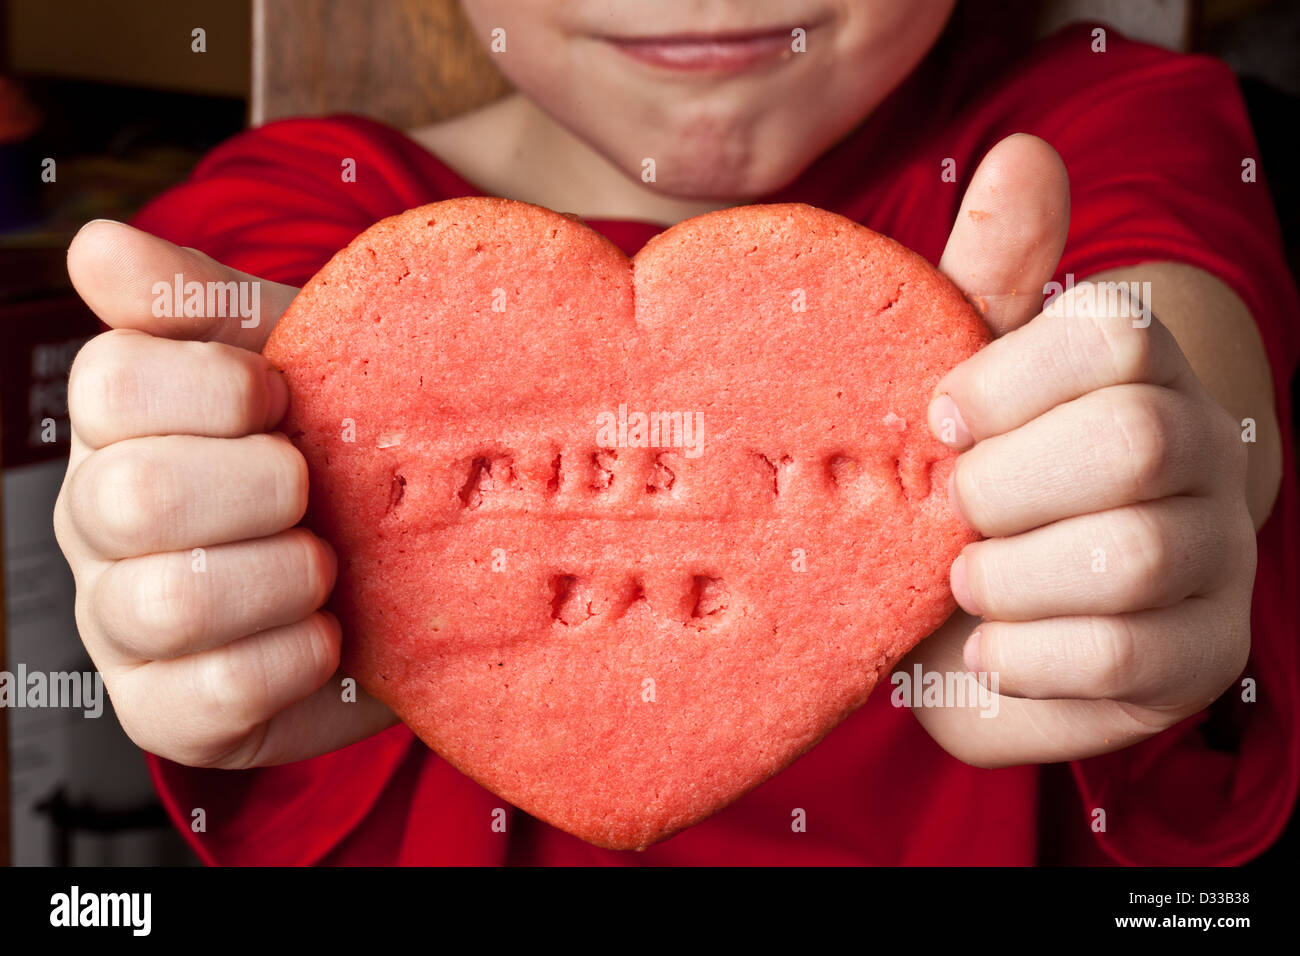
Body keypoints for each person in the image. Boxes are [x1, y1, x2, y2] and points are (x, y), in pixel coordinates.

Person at [54, 0, 1298, 864]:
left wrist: (1152, 476)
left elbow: (1171, 334)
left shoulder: (1093, 127)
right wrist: (167, 540)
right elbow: (188, 442)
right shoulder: (288, 218)